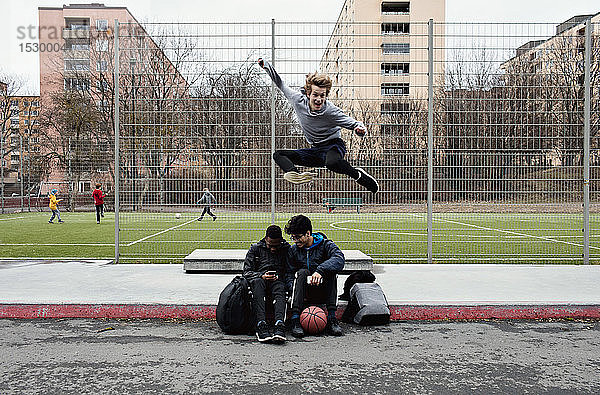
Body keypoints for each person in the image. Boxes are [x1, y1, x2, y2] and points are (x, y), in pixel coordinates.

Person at [258, 58, 379, 194]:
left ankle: (358, 175)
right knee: (278, 154)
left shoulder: (330, 111)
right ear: (308, 94)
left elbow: (354, 123)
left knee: (331, 163)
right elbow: (281, 84)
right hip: (315, 150)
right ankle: (294, 174)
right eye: (315, 95)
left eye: (323, 96)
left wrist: (360, 130)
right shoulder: (298, 100)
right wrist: (267, 67)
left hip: (333, 146)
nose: (319, 99)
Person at [284, 214, 344, 337]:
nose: (295, 241)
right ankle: (295, 319)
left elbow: (339, 259)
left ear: (308, 233)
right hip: (302, 293)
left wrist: (320, 270)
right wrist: (293, 288)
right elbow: (289, 273)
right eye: (293, 237)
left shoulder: (326, 245)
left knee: (330, 272)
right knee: (302, 272)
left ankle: (332, 318)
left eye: (298, 237)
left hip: (323, 290)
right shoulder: (293, 250)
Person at [243, 224, 290, 343]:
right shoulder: (255, 249)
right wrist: (261, 275)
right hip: (259, 281)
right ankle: (261, 324)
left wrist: (280, 277)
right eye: (270, 245)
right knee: (258, 283)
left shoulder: (286, 249)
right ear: (265, 239)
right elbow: (246, 272)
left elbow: (290, 270)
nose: (273, 249)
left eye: (276, 246)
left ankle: (279, 324)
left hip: (277, 281)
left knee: (280, 287)